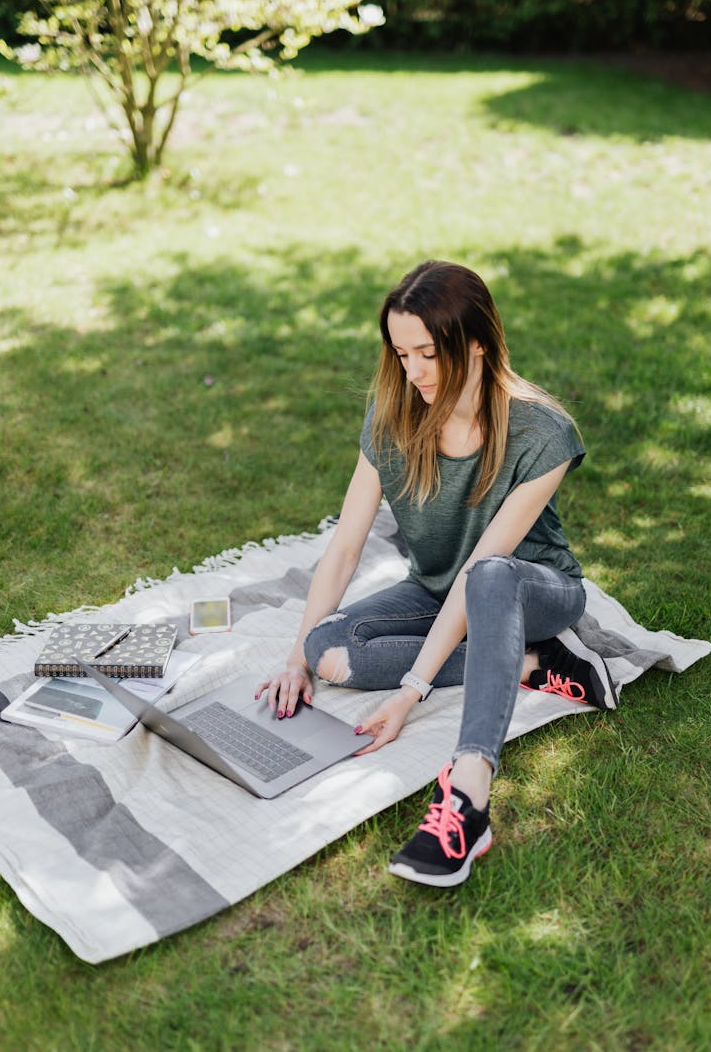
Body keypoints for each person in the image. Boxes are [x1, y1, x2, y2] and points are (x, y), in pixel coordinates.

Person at [255, 260, 616, 888]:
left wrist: (412, 691)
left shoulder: (542, 433)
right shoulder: (393, 412)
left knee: (491, 580)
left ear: (476, 342)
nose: (413, 371)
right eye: (401, 354)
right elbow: (345, 547)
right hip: (436, 588)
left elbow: (484, 569)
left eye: (428, 353)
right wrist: (294, 657)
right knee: (328, 652)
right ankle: (531, 666)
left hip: (533, 590)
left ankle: (469, 794)